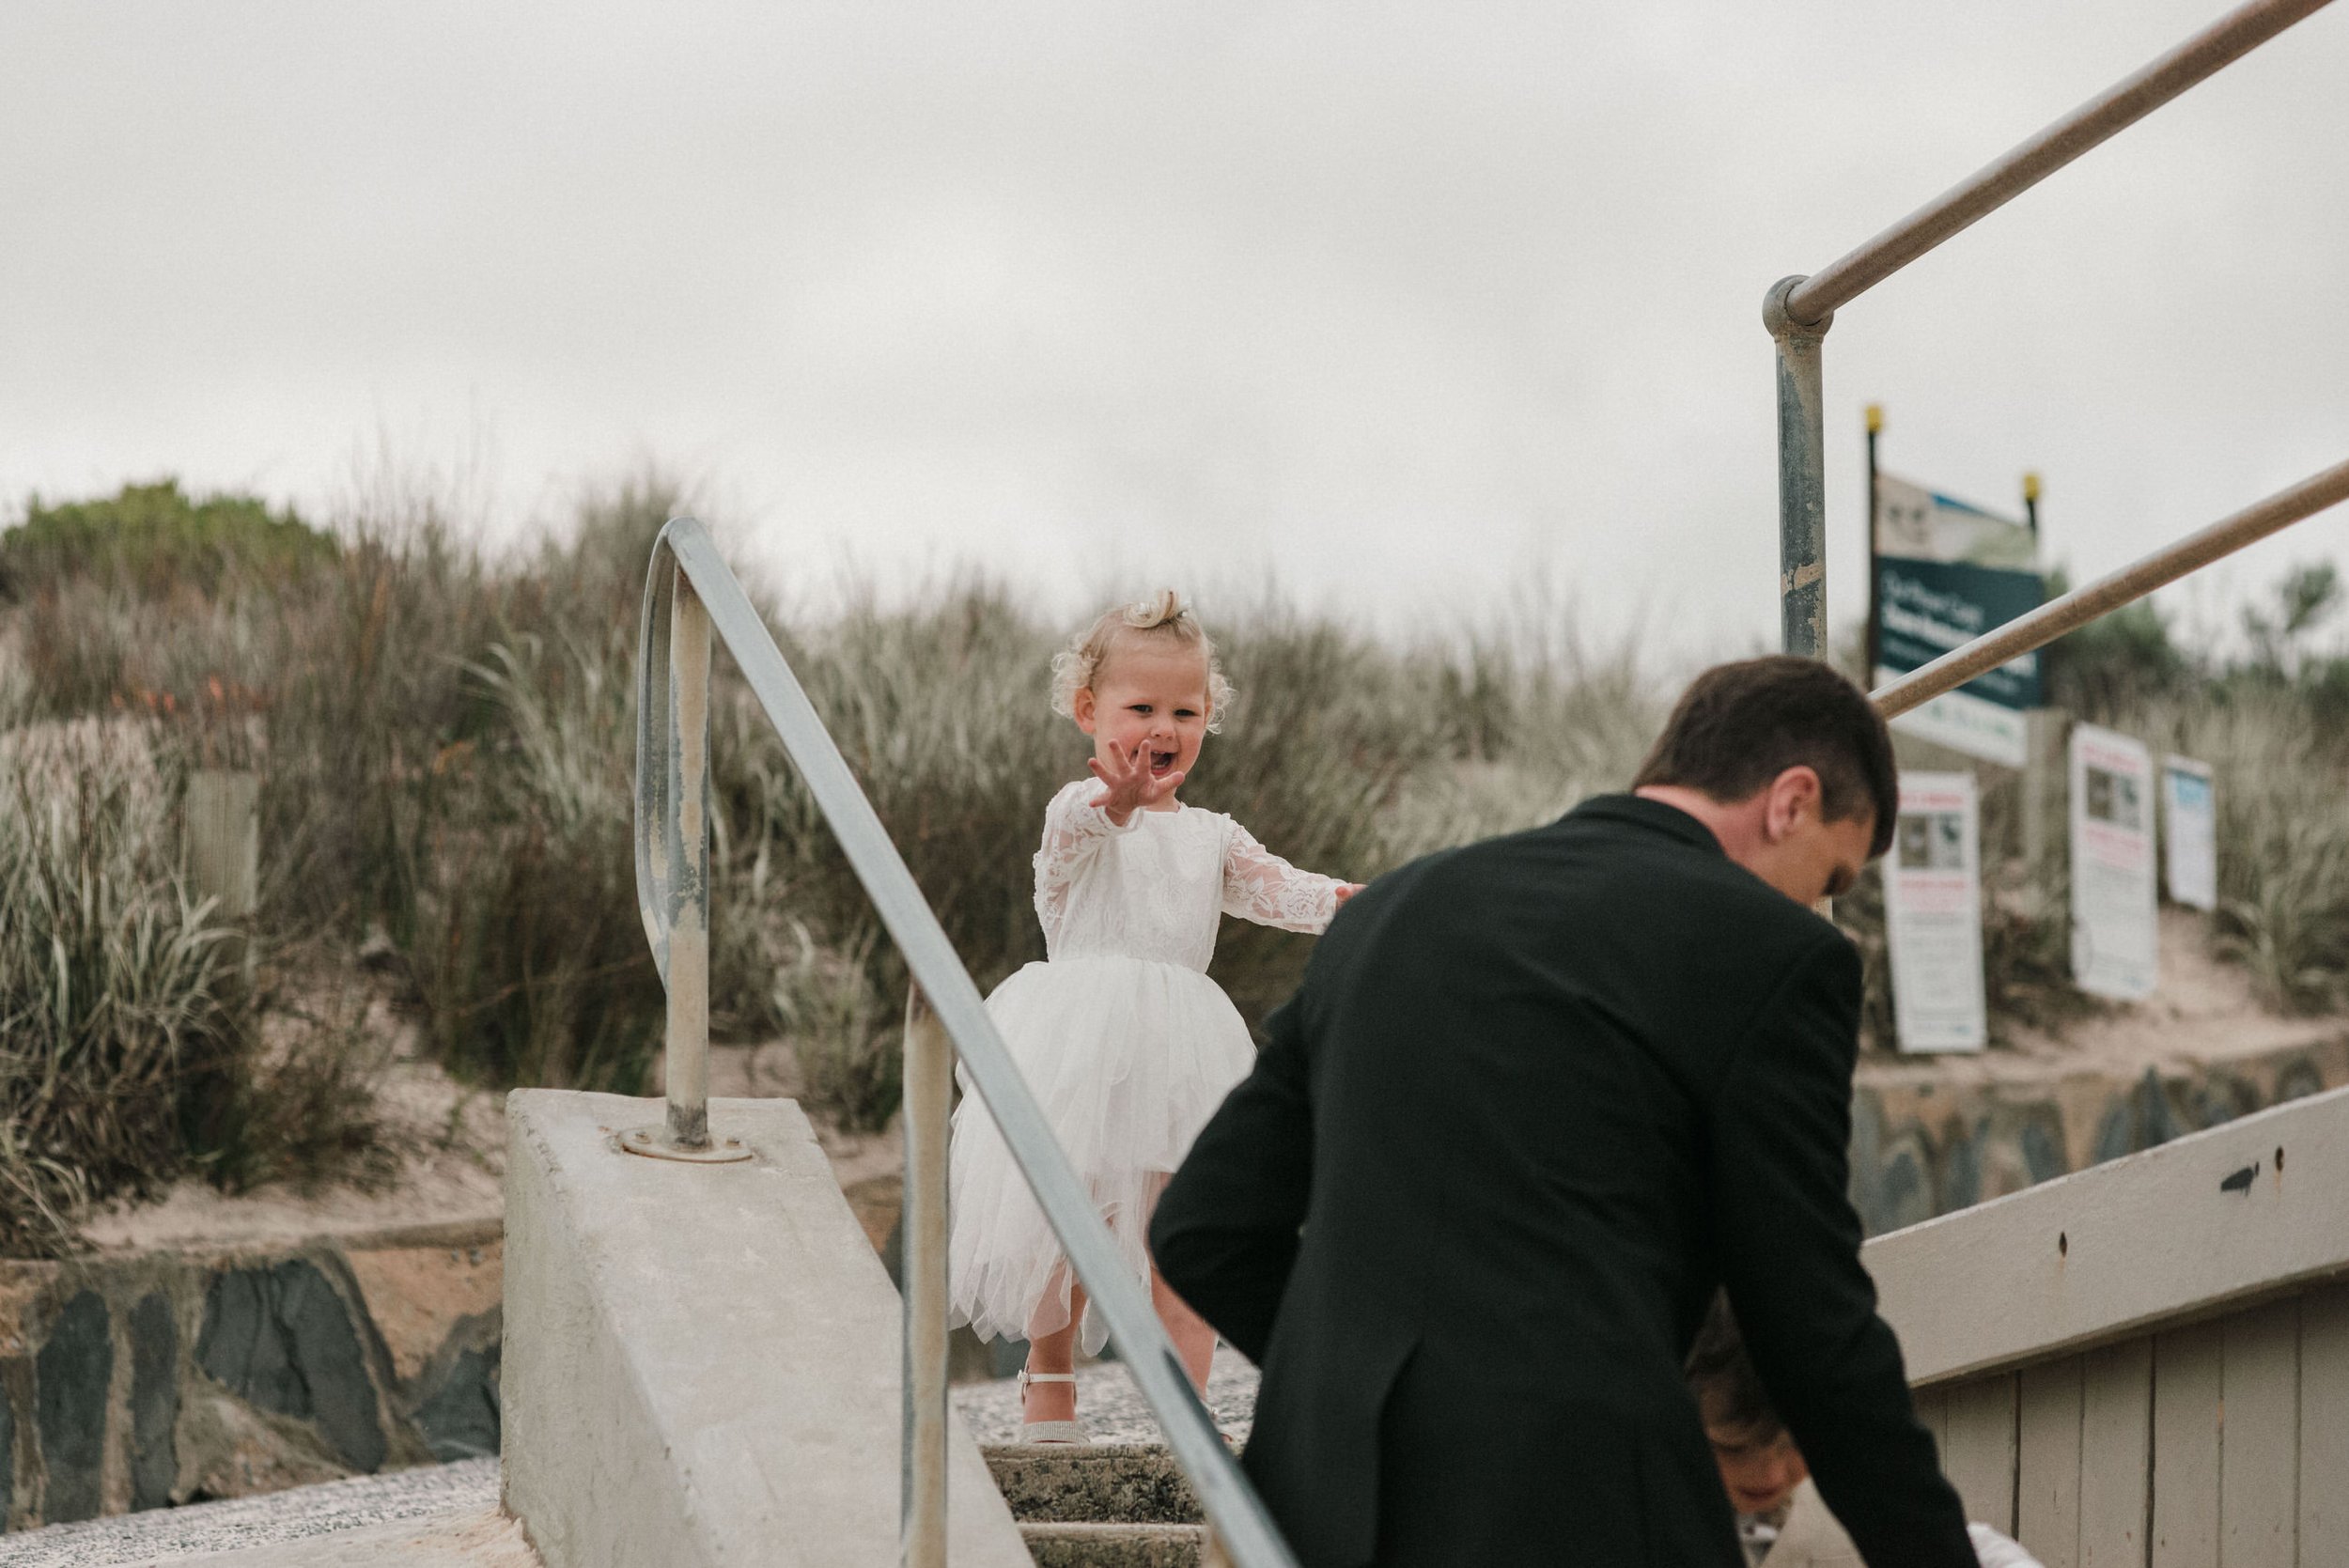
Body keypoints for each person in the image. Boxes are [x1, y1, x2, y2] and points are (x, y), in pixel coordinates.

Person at [1151, 655, 1977, 1567]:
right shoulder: (1774, 955)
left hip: (1316, 1507)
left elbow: (1202, 1226)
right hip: (1573, 1508)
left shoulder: (1394, 909)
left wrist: (1360, 1387)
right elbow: (1808, 1321)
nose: (1816, 909)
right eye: (1829, 876)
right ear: (1790, 799)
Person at [946, 590, 1361, 1444]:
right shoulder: (1079, 811)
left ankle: (1185, 1402)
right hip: (1078, 1041)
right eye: (1141, 708)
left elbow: (1279, 887)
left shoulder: (1213, 834)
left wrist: (1357, 903)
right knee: (1070, 1211)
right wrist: (1120, 800)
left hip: (1184, 1049)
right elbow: (1077, 834)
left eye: (1186, 710)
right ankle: (1049, 1379)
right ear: (1087, 710)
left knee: (1191, 1216)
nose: (1163, 728)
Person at [1686, 1295, 2042, 1568]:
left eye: (1795, 1444)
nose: (1773, 1474)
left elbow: (1972, 1551)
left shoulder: (1840, 1501)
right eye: (1734, 1448)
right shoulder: (1656, 1520)